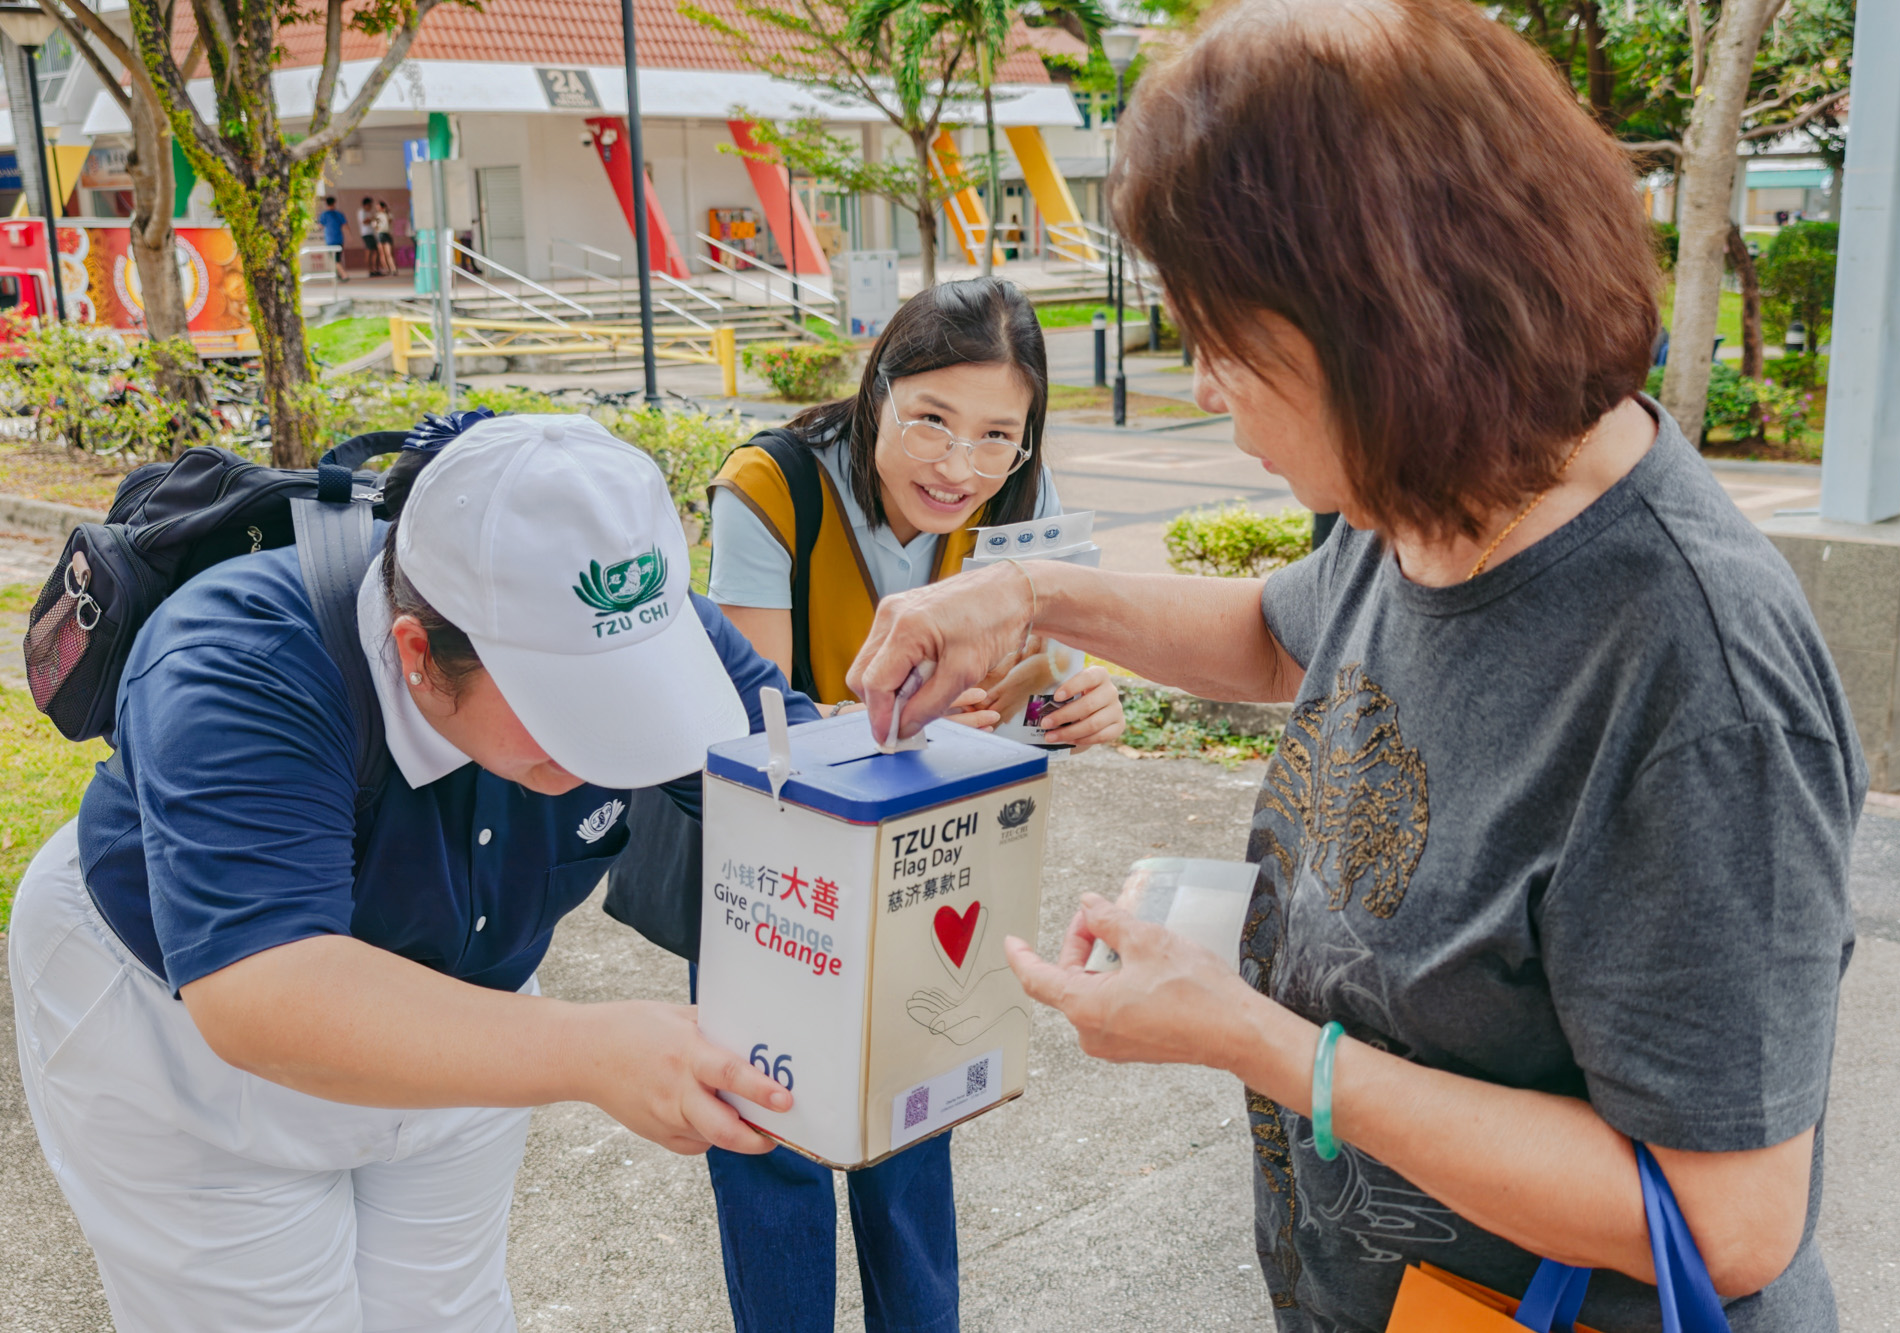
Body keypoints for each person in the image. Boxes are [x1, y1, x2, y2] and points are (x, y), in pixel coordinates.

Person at [844, 2, 1862, 1330]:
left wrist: (1252, 1036)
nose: (1205, 388)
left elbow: (1726, 1220)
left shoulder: (1697, 684)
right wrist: (1023, 594)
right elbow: (1282, 633)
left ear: (1387, 319)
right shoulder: (1438, 488)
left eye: (1225, 342)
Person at [9, 413, 801, 1331]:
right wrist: (596, 1050)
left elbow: (805, 778)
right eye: (565, 705)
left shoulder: (624, 614)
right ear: (417, 652)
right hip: (178, 1033)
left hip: (467, 1005)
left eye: (634, 691)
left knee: (450, 1313)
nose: (606, 740)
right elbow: (266, 991)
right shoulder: (241, 657)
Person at [685, 277, 1124, 1333]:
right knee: (771, 1138)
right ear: (877, 386)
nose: (958, 466)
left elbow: (1041, 678)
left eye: (996, 435)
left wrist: (1078, 702)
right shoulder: (772, 489)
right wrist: (914, 718)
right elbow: (757, 724)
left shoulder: (1018, 502)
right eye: (930, 419)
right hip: (782, 879)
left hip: (924, 864)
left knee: (913, 1128)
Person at [316, 195, 348, 282]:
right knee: (338, 258)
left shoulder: (324, 215)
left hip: (330, 239)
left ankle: (344, 274)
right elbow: (345, 226)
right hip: (339, 239)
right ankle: (339, 275)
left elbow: (320, 226)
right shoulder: (339, 214)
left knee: (335, 259)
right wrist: (349, 236)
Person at [375, 201, 400, 277]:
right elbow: (376, 226)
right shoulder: (377, 216)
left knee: (389, 253)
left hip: (386, 233)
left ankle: (393, 268)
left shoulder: (388, 215)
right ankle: (386, 268)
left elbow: (389, 222)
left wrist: (386, 213)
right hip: (380, 234)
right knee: (382, 254)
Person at [359, 195, 381, 275]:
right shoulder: (362, 212)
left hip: (371, 234)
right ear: (366, 204)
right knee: (369, 251)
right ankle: (370, 270)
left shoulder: (369, 212)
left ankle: (375, 269)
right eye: (370, 205)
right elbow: (364, 222)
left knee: (376, 251)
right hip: (366, 234)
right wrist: (372, 219)